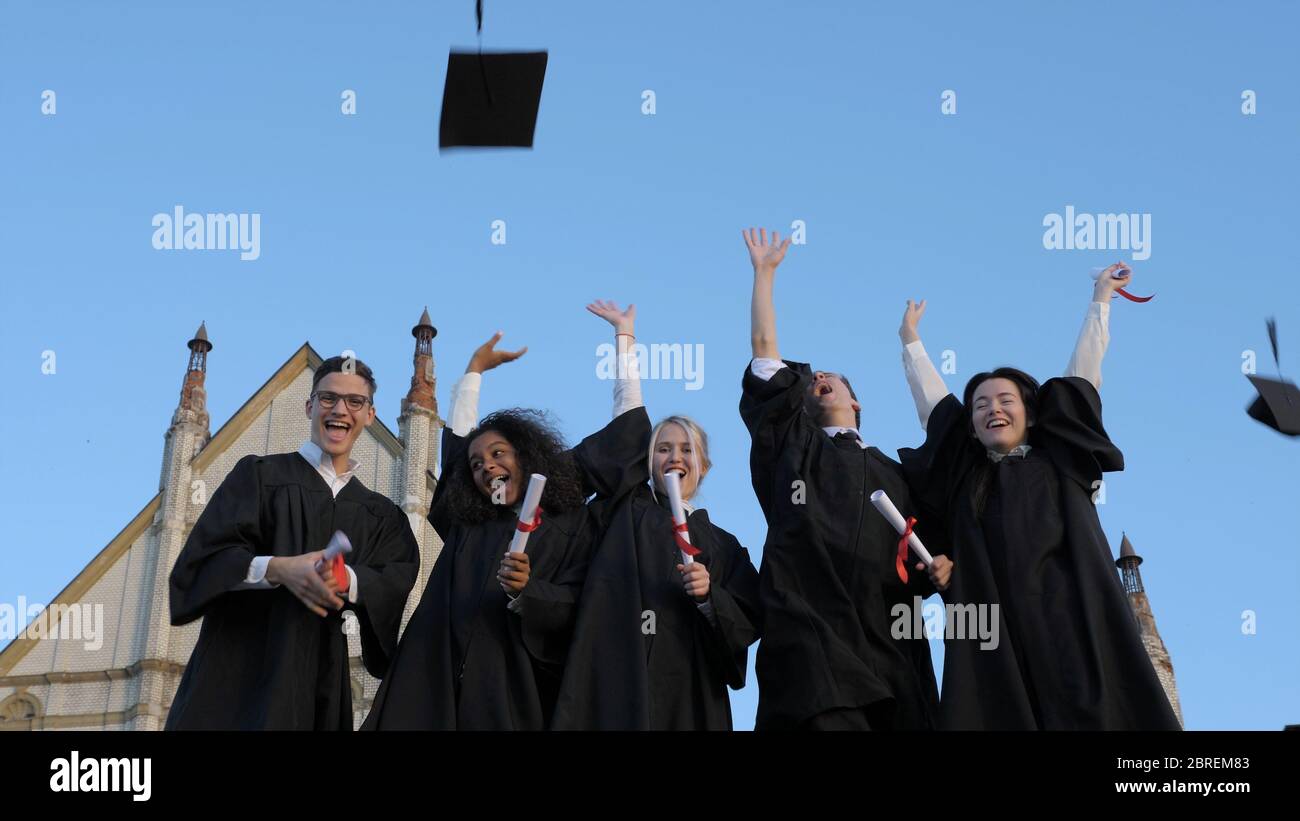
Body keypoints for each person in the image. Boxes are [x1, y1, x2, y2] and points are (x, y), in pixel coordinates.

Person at [896, 263, 1181, 729]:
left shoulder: (1062, 460)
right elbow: (933, 406)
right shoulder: (966, 481)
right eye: (981, 405)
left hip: (1074, 624)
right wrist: (911, 340)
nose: (993, 410)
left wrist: (1101, 299)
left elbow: (1083, 374)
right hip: (998, 640)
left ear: (1030, 411)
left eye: (1005, 400)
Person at [361, 332, 648, 729]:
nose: (487, 467)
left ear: (525, 456)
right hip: (438, 696)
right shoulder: (469, 526)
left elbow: (625, 438)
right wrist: (473, 372)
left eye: (499, 454)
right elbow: (457, 452)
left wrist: (527, 593)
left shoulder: (567, 528)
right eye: (478, 465)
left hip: (517, 697)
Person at [739, 228, 946, 731]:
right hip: (814, 639)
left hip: (890, 640)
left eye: (830, 377)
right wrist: (764, 275)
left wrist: (941, 568)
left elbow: (932, 553)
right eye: (809, 380)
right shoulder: (793, 449)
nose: (816, 380)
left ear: (855, 401)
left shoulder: (900, 473)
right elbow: (767, 357)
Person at [167, 355, 420, 730]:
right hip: (235, 677)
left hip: (320, 681)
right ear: (310, 406)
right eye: (328, 398)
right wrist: (278, 569)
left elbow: (395, 574)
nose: (340, 409)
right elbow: (201, 561)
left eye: (355, 402)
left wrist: (347, 579)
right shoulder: (258, 477)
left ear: (369, 415)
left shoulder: (380, 516)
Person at [552, 301, 762, 729]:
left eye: (687, 449)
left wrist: (710, 597)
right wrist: (624, 339)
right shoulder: (625, 510)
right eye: (663, 448)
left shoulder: (723, 545)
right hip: (611, 678)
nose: (674, 456)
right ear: (646, 462)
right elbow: (626, 421)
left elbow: (747, 622)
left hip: (687, 691)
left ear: (704, 465)